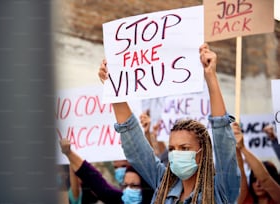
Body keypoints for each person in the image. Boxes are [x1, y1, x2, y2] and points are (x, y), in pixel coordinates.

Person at [98, 43, 241, 203]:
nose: (175, 154)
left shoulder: (222, 191)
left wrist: (211, 77)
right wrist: (113, 90)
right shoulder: (164, 185)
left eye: (184, 148)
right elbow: (135, 147)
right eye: (172, 149)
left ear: (203, 152)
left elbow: (224, 143)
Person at [60, 138, 154, 204]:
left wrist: (146, 134)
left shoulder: (155, 200)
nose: (128, 190)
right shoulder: (120, 199)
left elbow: (152, 169)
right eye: (125, 186)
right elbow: (95, 181)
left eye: (134, 186)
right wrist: (69, 153)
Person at [232, 122, 280, 204]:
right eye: (254, 179)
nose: (258, 184)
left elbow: (265, 179)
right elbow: (241, 177)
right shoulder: (245, 199)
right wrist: (236, 147)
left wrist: (242, 148)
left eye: (259, 179)